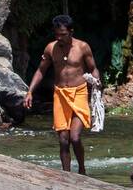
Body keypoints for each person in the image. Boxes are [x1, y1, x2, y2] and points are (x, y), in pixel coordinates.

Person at [24, 15, 101, 174]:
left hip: (79, 93)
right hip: (60, 95)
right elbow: (41, 70)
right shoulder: (51, 48)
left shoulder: (82, 47)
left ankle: (82, 170)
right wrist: (30, 91)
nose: (59, 38)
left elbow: (93, 68)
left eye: (63, 34)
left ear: (71, 32)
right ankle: (66, 175)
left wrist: (97, 84)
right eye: (57, 34)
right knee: (63, 140)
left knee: (75, 137)